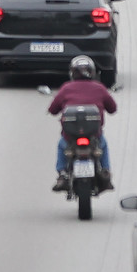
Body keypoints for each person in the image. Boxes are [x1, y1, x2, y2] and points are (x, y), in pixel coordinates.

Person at [46, 55, 116, 191]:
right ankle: (105, 171)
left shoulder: (66, 88)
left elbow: (53, 109)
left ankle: (62, 174)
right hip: (94, 135)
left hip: (70, 136)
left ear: (72, 72)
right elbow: (112, 108)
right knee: (103, 145)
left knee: (62, 145)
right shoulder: (100, 88)